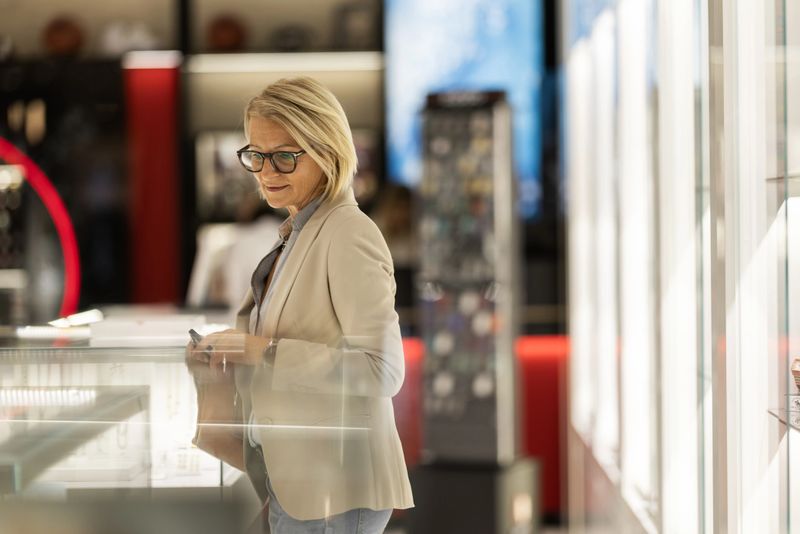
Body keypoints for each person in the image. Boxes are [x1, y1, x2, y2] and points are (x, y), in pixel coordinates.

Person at [186, 76, 414, 534]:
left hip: (335, 491)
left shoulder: (348, 232)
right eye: (256, 155)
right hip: (300, 481)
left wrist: (262, 352)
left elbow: (381, 369)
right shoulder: (299, 232)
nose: (267, 172)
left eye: (285, 156)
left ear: (328, 154)